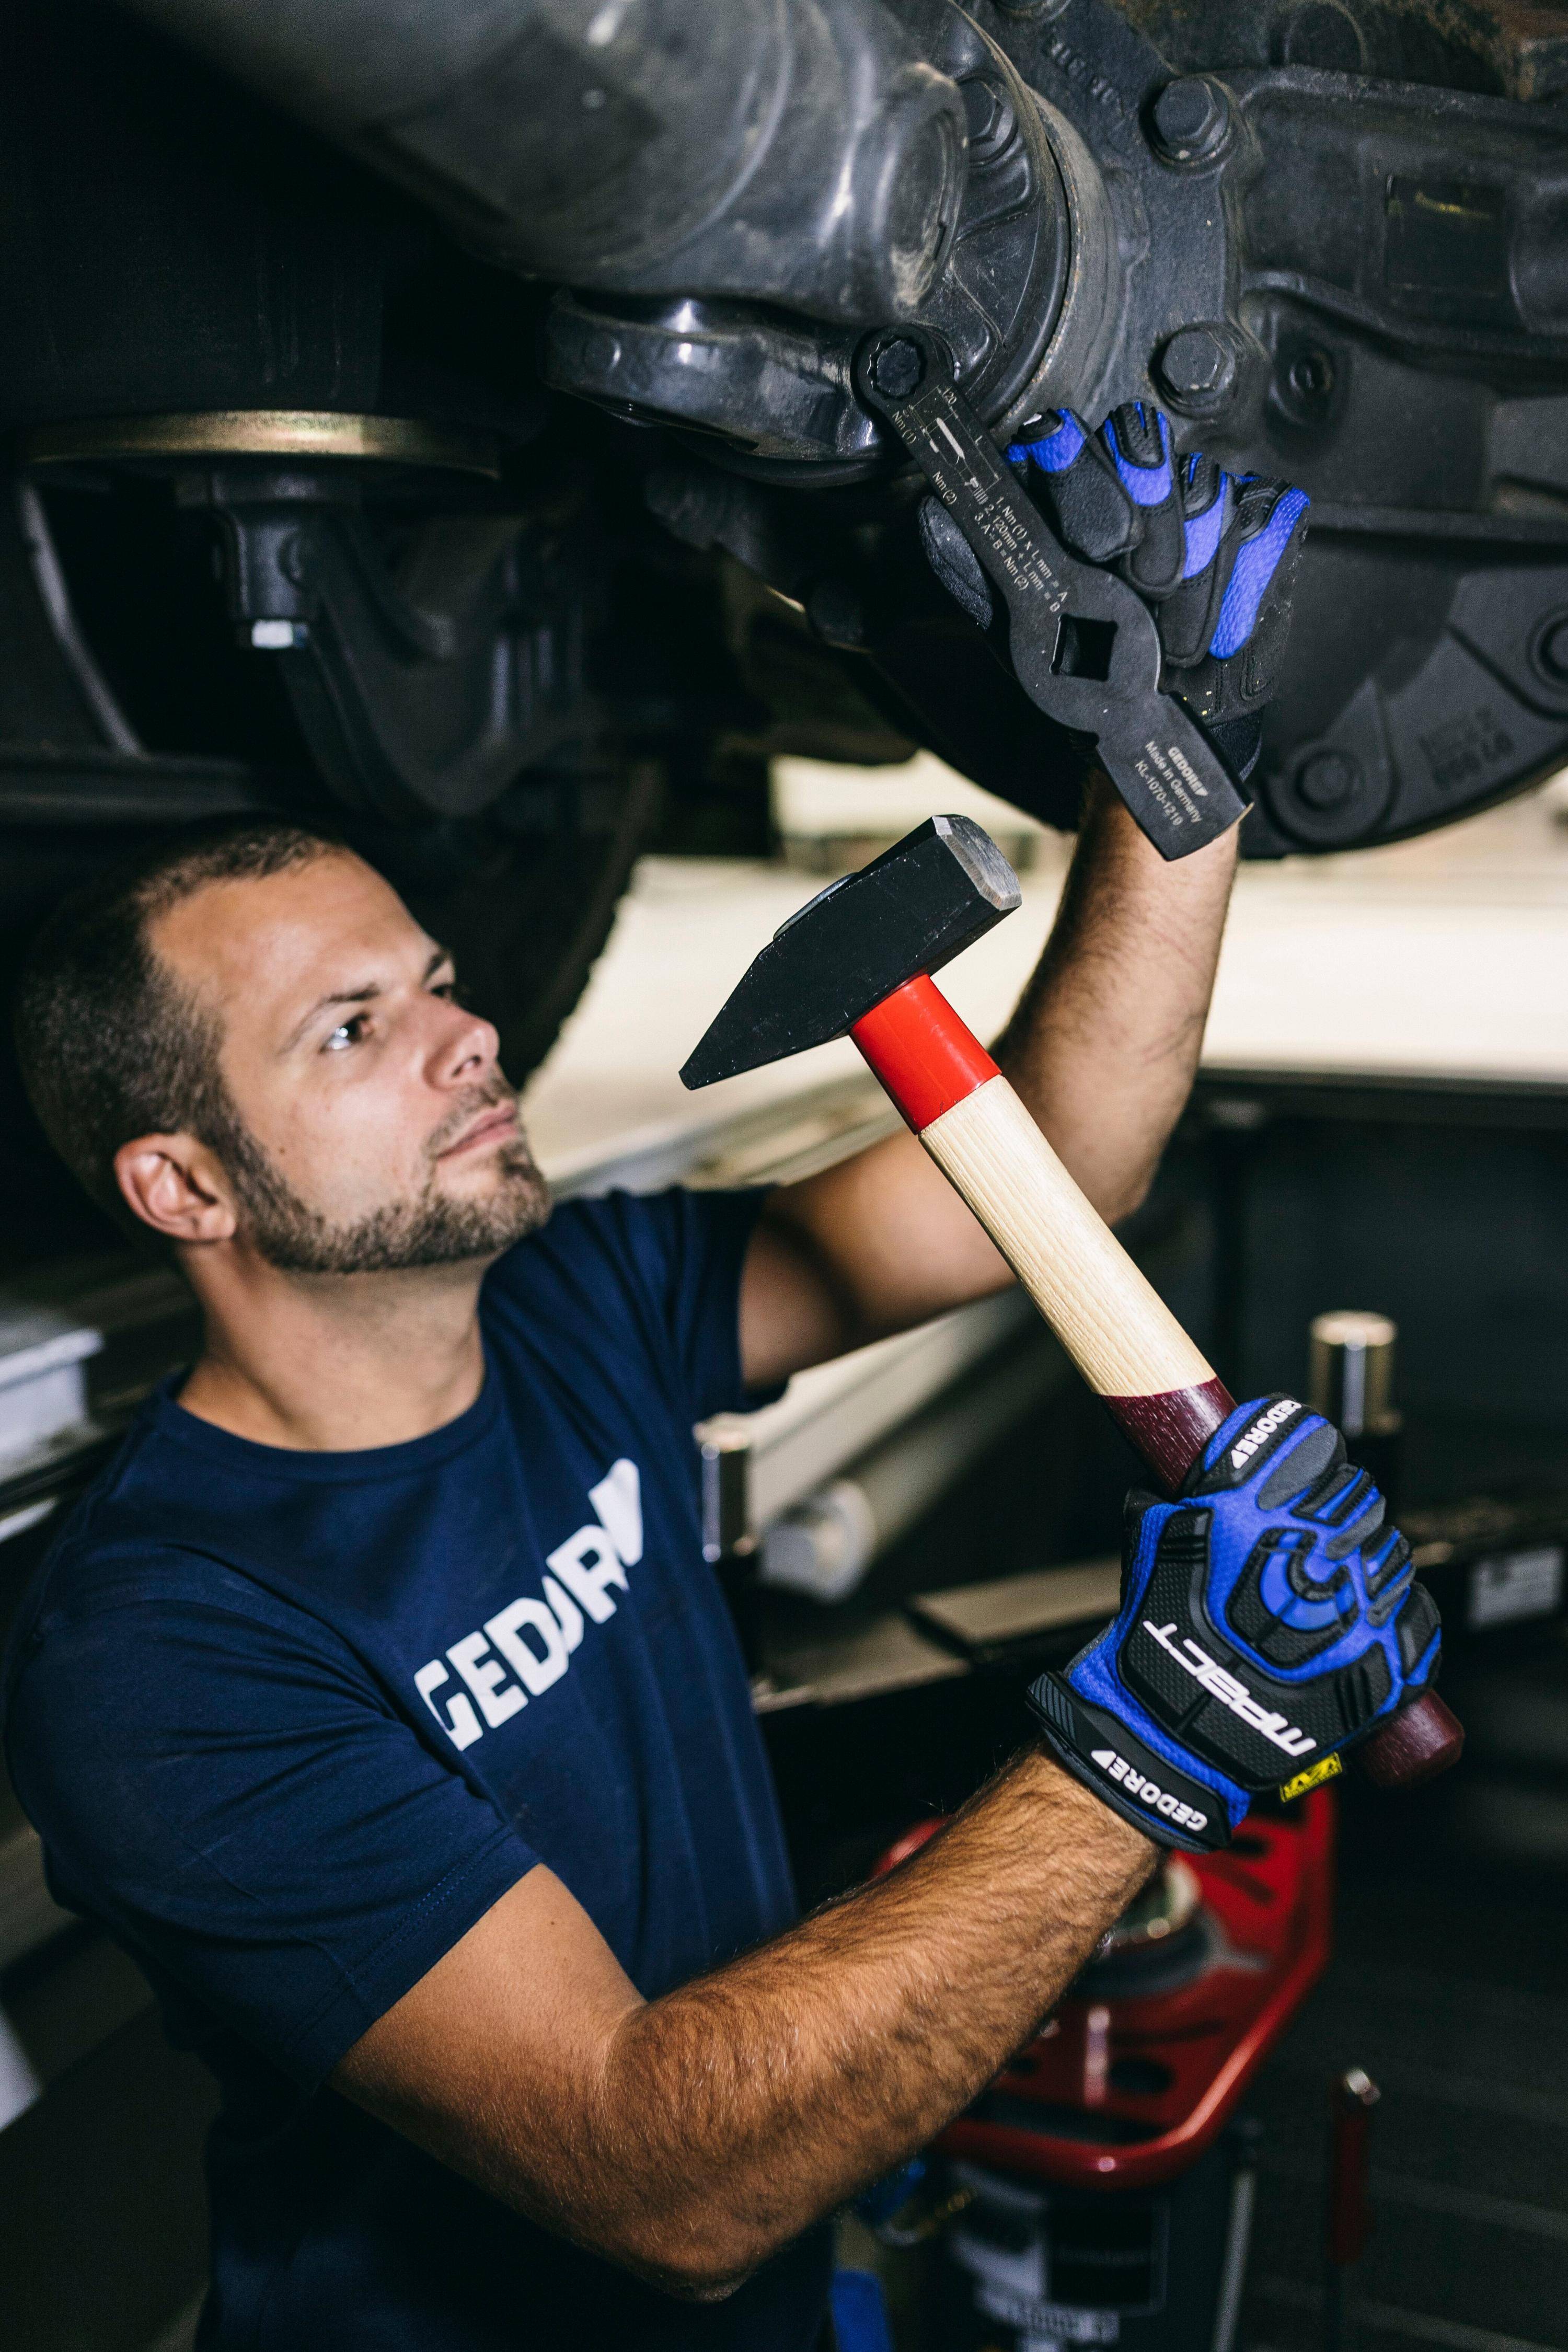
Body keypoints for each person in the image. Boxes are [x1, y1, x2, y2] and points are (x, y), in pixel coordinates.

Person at [1, 411, 1440, 2351]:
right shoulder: (161, 1655)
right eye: (356, 1028)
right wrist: (1170, 1723)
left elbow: (1059, 1164)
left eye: (436, 977)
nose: (465, 1036)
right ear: (181, 1183)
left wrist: (1175, 770)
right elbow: (656, 2174)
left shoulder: (571, 1306)